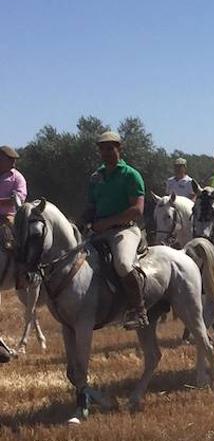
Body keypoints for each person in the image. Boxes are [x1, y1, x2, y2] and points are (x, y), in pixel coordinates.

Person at [82, 131, 148, 330]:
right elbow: (91, 206)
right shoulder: (96, 177)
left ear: (119, 148)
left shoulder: (130, 175)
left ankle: (140, 311)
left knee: (122, 264)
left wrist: (108, 223)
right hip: (99, 232)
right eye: (102, 149)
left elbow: (137, 209)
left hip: (125, 231)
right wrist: (81, 222)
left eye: (110, 148)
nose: (106, 152)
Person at [0, 145, 27, 227]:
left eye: (13, 160)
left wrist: (2, 201)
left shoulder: (17, 177)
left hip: (7, 216)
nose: (13, 162)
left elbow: (20, 198)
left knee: (7, 231)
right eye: (10, 159)